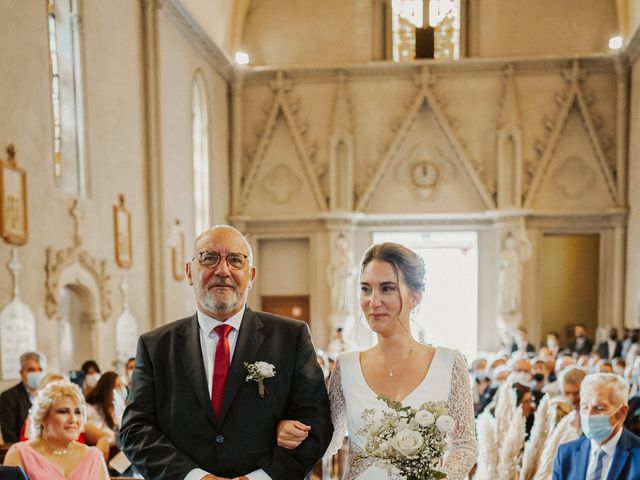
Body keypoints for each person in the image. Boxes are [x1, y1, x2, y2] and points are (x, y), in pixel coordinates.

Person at [120, 225, 332, 480]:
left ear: (251, 275)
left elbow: (316, 423)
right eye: (209, 258)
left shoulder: (291, 338)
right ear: (189, 272)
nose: (222, 271)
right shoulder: (155, 347)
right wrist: (196, 478)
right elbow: (134, 430)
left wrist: (258, 478)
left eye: (235, 260)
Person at [279, 242, 477, 479]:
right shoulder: (347, 366)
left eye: (387, 288)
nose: (373, 301)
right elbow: (327, 442)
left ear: (414, 297)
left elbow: (465, 445)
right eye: (366, 289)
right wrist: (290, 431)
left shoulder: (449, 363)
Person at [3, 381, 109, 480]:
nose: (73, 419)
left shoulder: (94, 456)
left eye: (78, 412)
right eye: (63, 411)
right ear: (43, 417)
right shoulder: (20, 454)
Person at [553, 373, 640, 479]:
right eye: (585, 407)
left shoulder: (637, 456)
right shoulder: (566, 454)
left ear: (622, 412)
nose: (589, 415)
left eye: (599, 408)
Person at [0, 352, 45, 442]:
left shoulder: (46, 395)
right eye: (31, 370)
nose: (36, 374)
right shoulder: (8, 397)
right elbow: (9, 434)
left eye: (40, 370)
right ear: (21, 372)